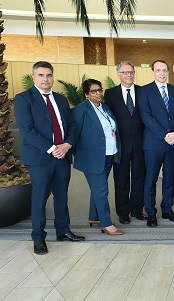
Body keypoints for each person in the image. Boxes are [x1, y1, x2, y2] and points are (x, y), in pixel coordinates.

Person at [14, 61, 85, 255]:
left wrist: (67, 144)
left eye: (49, 75)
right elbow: (27, 131)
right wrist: (53, 148)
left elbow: (71, 126)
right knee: (39, 199)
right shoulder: (23, 99)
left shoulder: (61, 100)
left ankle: (63, 230)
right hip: (40, 158)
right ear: (35, 77)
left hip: (62, 155)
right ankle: (38, 238)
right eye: (41, 75)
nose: (46, 79)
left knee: (62, 196)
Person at [72, 79, 123, 235]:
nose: (98, 93)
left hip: (109, 154)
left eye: (100, 90)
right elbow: (74, 135)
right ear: (86, 94)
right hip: (92, 157)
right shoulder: (80, 110)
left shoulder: (105, 107)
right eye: (94, 91)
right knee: (101, 191)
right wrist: (81, 155)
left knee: (98, 189)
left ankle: (94, 217)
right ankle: (106, 223)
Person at [138, 60, 174, 227]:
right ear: (153, 72)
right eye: (158, 70)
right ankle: (151, 212)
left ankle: (167, 209)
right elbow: (146, 117)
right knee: (150, 179)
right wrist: (165, 135)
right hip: (153, 143)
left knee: (169, 178)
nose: (162, 73)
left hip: (173, 143)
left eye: (165, 70)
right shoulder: (144, 91)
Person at [104, 61, 146, 225]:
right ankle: (123, 212)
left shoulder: (143, 91)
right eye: (125, 72)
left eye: (131, 72)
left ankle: (137, 209)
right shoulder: (110, 93)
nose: (129, 75)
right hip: (120, 146)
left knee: (139, 178)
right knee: (121, 180)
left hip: (141, 144)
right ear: (118, 74)